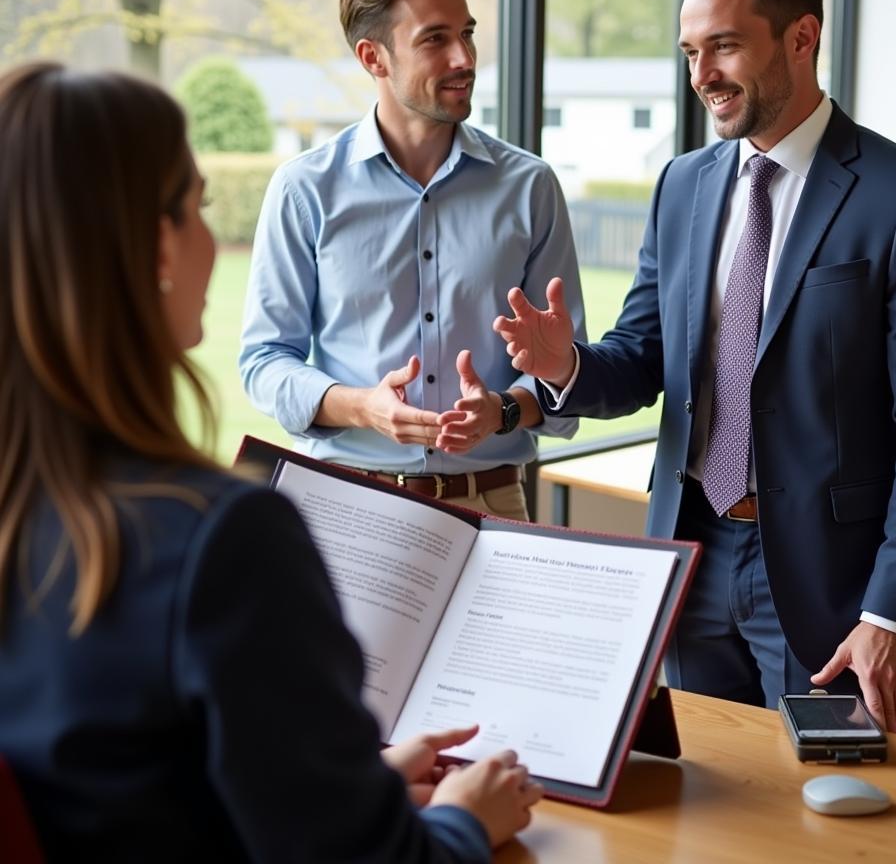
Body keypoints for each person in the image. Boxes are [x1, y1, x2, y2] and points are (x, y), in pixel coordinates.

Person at [0, 62, 542, 862]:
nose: (210, 240)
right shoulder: (222, 541)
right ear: (157, 244)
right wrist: (465, 816)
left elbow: (141, 789)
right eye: (199, 207)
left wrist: (351, 784)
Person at [493, 0, 896, 729]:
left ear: (801, 36)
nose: (702, 76)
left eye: (723, 46)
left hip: (832, 587)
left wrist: (893, 612)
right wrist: (568, 366)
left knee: (827, 810)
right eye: (689, 51)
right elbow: (645, 358)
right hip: (690, 558)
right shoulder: (683, 184)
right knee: (703, 801)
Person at [239, 0, 585, 522]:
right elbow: (264, 359)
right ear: (374, 58)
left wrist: (500, 410)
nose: (464, 57)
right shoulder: (305, 188)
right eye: (434, 39)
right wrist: (362, 409)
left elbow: (560, 370)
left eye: (468, 34)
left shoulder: (531, 186)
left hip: (495, 503)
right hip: (346, 504)